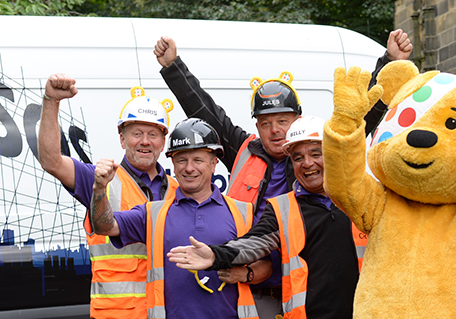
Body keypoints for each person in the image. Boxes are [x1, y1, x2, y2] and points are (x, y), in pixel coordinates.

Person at [153, 30, 411, 317]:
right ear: (257, 127)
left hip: (308, 290)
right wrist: (173, 67)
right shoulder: (243, 149)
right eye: (265, 123)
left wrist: (390, 61)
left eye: (283, 121)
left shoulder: (316, 153)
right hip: (255, 288)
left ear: (297, 121)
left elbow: (359, 117)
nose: (275, 130)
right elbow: (205, 109)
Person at [167, 116, 366, 319]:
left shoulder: (362, 198)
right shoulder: (283, 209)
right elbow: (252, 244)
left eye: (316, 154)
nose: (307, 163)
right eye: (297, 158)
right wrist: (215, 256)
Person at [37, 74, 178, 319]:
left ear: (163, 142)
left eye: (153, 134)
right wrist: (51, 101)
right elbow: (51, 161)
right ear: (122, 139)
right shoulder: (101, 179)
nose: (145, 141)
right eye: (136, 134)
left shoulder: (178, 191)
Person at [88, 118, 258, 319]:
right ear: (173, 165)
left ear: (214, 164)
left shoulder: (242, 213)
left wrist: (247, 274)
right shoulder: (153, 214)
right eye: (182, 160)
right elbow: (104, 226)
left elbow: (267, 265)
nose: (189, 168)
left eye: (198, 160)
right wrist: (99, 190)